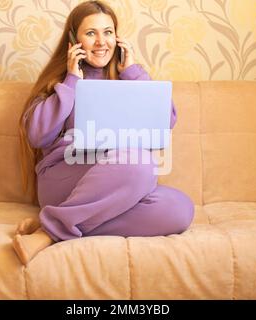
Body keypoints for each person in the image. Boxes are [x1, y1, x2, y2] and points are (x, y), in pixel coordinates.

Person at [13, 0, 195, 265]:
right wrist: (72, 81)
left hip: (116, 184)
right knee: (140, 163)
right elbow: (38, 135)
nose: (101, 42)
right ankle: (50, 231)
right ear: (73, 41)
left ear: (117, 37)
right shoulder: (60, 83)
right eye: (91, 33)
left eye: (108, 32)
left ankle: (52, 224)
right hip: (65, 178)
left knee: (180, 209)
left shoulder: (127, 81)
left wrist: (133, 73)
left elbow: (165, 120)